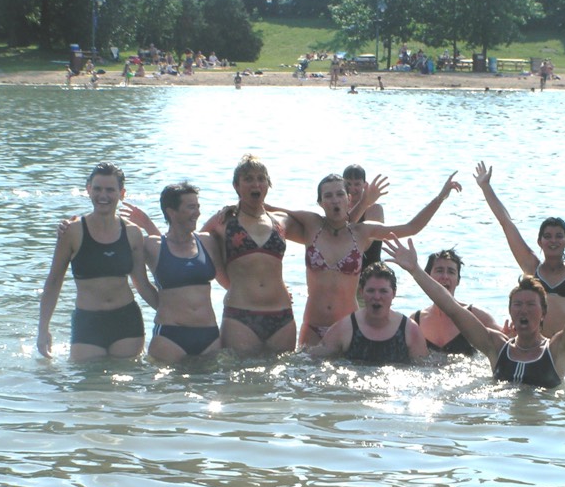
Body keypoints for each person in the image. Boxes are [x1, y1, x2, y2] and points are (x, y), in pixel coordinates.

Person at [384, 224, 565, 387]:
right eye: (518, 305)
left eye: (530, 305)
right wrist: (416, 270)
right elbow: (452, 309)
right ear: (510, 311)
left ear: (544, 313)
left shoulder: (558, 349)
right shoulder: (496, 347)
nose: (523, 310)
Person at [287, 172, 462, 347]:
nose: (335, 200)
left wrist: (440, 197)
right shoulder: (311, 226)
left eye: (340, 194)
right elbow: (274, 217)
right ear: (320, 202)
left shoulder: (362, 232)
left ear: (349, 199)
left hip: (349, 327)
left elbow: (411, 227)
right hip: (313, 326)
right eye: (328, 196)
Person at [474, 150, 565, 337]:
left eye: (559, 236)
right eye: (548, 236)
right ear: (540, 241)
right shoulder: (531, 267)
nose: (553, 241)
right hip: (535, 345)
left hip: (564, 347)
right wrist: (486, 187)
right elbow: (506, 223)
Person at [37, 162, 157, 361]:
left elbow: (143, 285)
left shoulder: (132, 233)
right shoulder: (72, 232)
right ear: (88, 189)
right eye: (98, 189)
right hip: (87, 321)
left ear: (122, 193)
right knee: (87, 379)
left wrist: (172, 318)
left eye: (110, 190)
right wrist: (43, 329)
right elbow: (54, 281)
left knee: (127, 377)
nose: (103, 195)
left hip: (127, 321)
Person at [200, 155, 301, 356]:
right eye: (248, 179)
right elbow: (194, 249)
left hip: (282, 316)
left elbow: (321, 230)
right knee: (239, 374)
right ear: (236, 186)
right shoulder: (223, 221)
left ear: (268, 184)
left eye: (261, 178)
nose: (256, 184)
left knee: (282, 374)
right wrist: (227, 283)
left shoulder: (282, 221)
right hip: (240, 315)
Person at [126, 183, 228, 362]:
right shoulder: (151, 245)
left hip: (209, 335)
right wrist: (164, 306)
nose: (197, 213)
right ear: (172, 212)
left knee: (213, 380)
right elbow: (141, 284)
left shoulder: (207, 242)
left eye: (198, 207)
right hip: (169, 336)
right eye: (191, 207)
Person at [310, 262, 427, 363]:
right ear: (361, 292)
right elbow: (312, 360)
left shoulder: (410, 330)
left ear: (394, 293)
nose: (376, 297)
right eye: (371, 291)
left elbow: (424, 369)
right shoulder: (344, 328)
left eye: (383, 291)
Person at [412, 249, 503, 355]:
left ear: (458, 280)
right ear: (427, 277)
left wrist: (510, 334)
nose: (445, 276)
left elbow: (505, 342)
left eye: (451, 272)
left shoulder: (476, 316)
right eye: (439, 270)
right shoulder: (415, 322)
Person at [343, 164, 384, 270]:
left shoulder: (374, 209)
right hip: (344, 270)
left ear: (365, 185)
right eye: (348, 184)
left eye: (357, 184)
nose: (352, 188)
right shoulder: (339, 209)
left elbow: (364, 245)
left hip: (371, 271)